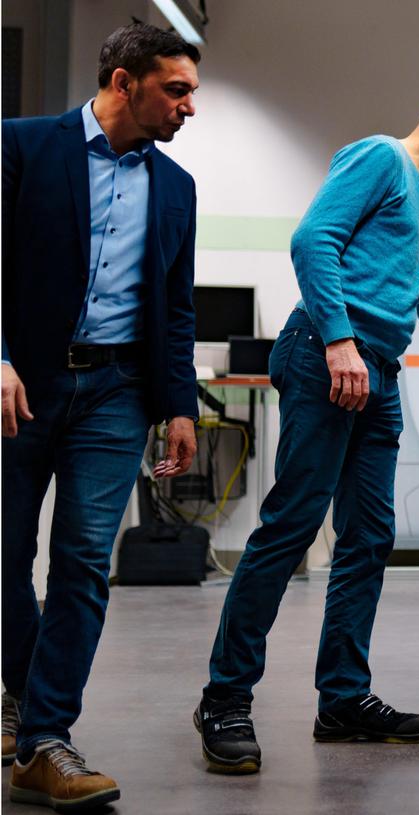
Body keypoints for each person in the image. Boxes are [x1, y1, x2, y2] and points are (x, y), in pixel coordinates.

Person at [194, 88, 419, 775]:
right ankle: (225, 698)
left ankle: (342, 698)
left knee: (368, 537)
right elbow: (312, 240)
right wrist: (339, 341)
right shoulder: (381, 158)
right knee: (290, 527)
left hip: (379, 375)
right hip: (327, 357)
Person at [1, 22, 201, 811]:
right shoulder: (22, 146)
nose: (189, 106)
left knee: (83, 561)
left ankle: (44, 735)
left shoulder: (177, 186)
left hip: (117, 391)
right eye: (176, 90)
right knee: (6, 558)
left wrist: (178, 405)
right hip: (23, 384)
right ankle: (27, 704)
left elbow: (176, 307)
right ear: (124, 82)